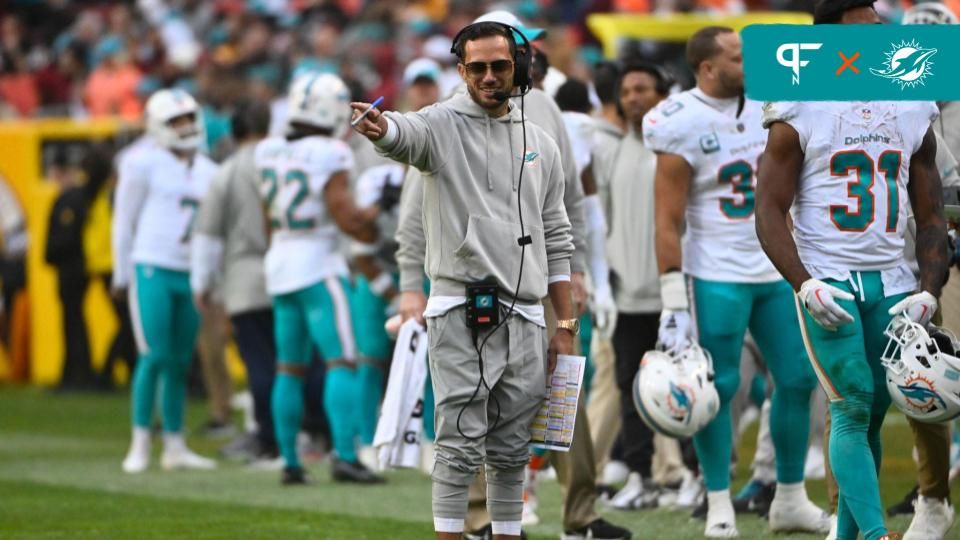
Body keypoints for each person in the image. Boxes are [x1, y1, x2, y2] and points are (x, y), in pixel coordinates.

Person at [352, 21, 576, 540]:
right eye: (478, 68)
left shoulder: (539, 139)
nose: (490, 77)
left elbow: (558, 237)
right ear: (461, 71)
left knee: (512, 446)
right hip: (461, 308)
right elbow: (405, 135)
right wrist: (381, 129)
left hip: (525, 311)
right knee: (458, 442)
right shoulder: (440, 123)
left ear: (518, 66)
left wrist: (564, 323)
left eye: (500, 66)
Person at [755, 1, 949, 538]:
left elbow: (930, 214)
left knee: (876, 408)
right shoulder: (800, 101)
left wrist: (929, 290)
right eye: (864, 27)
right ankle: (873, 533)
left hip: (891, 278)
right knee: (853, 402)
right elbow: (768, 208)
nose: (878, 34)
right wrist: (804, 282)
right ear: (834, 41)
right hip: (829, 274)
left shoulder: (912, 102)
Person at [644, 26, 826, 537]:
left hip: (776, 268)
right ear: (707, 67)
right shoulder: (678, 119)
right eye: (736, 56)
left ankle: (789, 496)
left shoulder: (775, 99)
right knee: (717, 389)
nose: (749, 64)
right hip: (715, 272)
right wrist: (673, 301)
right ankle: (718, 498)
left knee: (797, 378)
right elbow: (667, 219)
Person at [256, 72, 384, 485]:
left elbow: (266, 221)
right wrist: (375, 214)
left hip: (280, 264)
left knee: (289, 367)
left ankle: (291, 462)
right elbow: (347, 220)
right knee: (342, 360)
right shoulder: (331, 152)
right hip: (317, 265)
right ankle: (345, 455)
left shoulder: (268, 150)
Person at [114, 88, 218, 473]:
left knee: (178, 361)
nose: (186, 126)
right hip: (152, 266)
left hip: (190, 272)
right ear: (158, 125)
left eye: (189, 118)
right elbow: (124, 219)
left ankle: (175, 444)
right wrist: (122, 271)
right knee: (153, 355)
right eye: (176, 121)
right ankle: (140, 440)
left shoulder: (209, 169)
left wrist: (207, 276)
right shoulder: (141, 162)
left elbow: (211, 233)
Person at [191, 100, 282, 464]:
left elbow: (208, 234)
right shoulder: (285, 160)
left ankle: (267, 436)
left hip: (245, 276)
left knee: (260, 363)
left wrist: (204, 283)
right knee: (292, 362)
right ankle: (305, 433)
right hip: (292, 272)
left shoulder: (227, 171)